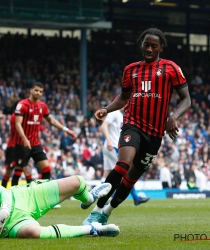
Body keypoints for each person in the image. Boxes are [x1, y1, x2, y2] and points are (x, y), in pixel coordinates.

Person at [83, 28, 191, 225]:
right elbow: (124, 98)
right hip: (133, 124)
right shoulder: (130, 70)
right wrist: (106, 109)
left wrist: (173, 117)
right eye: (146, 44)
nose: (149, 49)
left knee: (132, 178)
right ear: (141, 44)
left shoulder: (171, 68)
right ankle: (95, 208)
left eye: (154, 46)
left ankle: (106, 211)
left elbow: (186, 100)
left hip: (155, 133)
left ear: (161, 48)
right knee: (123, 164)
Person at [0, 161, 119, 239]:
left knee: (77, 182)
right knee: (34, 233)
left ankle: (88, 198)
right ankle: (93, 229)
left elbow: (3, 192)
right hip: (6, 225)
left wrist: (3, 212)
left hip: (19, 198)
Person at [13, 82, 77, 183]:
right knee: (18, 171)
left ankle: (42, 193)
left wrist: (67, 130)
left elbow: (51, 121)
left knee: (47, 169)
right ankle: (13, 196)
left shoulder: (42, 106)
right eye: (36, 90)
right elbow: (17, 124)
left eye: (40, 91)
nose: (38, 93)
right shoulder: (22, 105)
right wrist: (25, 139)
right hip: (22, 144)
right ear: (31, 90)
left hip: (35, 144)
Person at [100, 108, 150, 206]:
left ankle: (101, 197)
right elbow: (103, 126)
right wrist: (109, 140)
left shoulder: (123, 115)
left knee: (106, 174)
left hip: (110, 146)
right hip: (112, 146)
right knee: (125, 170)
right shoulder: (114, 113)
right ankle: (136, 198)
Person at [1, 112, 33, 188]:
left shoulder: (23, 117)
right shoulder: (15, 116)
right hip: (13, 148)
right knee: (8, 172)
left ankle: (15, 192)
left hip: (21, 147)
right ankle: (1, 193)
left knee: (21, 169)